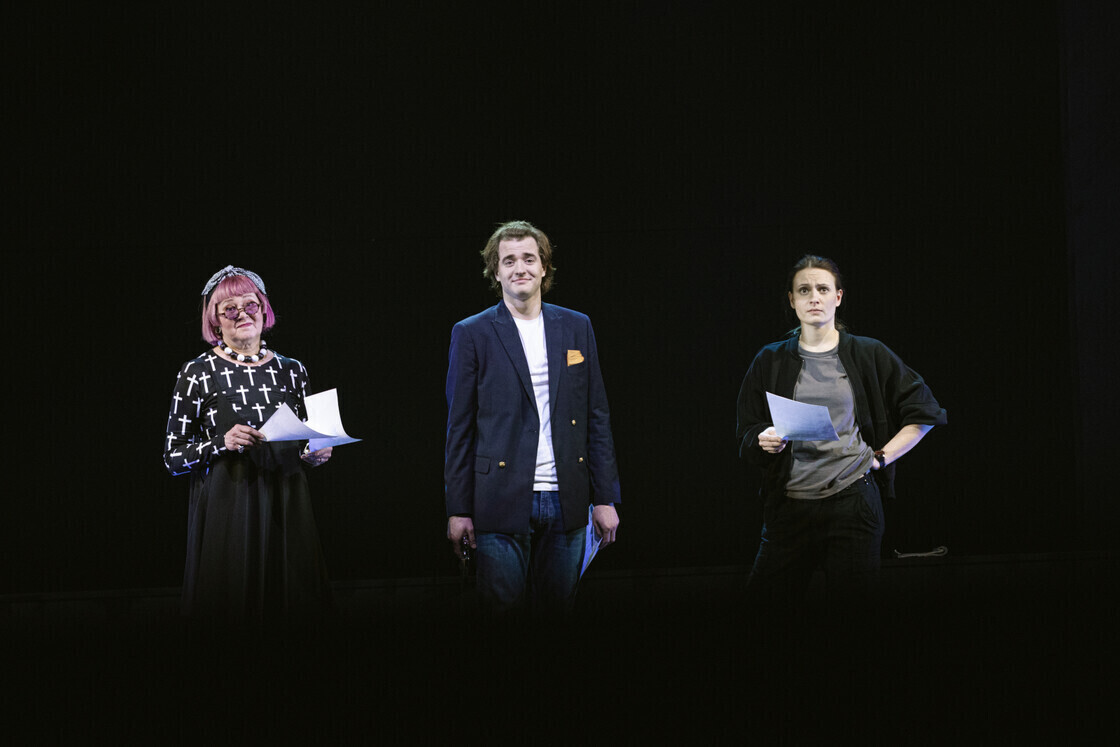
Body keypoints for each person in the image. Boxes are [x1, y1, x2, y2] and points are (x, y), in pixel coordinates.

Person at [736, 255, 946, 614]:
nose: (814, 297)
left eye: (822, 289)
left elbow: (925, 412)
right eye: (804, 290)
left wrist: (881, 459)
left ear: (838, 296)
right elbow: (747, 430)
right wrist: (762, 438)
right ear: (792, 300)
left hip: (852, 504)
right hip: (789, 507)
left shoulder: (868, 352)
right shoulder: (770, 359)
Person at [444, 221, 621, 618]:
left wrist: (605, 497)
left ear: (544, 267)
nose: (519, 268)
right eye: (508, 261)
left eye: (528, 258)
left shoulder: (576, 326)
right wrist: (458, 509)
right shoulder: (472, 333)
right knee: (502, 612)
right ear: (495, 272)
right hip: (498, 499)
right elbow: (459, 428)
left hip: (567, 498)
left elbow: (596, 415)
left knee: (558, 611)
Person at [163, 265, 334, 626]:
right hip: (229, 511)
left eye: (250, 305)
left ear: (263, 310)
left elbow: (313, 439)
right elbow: (173, 457)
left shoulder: (293, 370)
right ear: (215, 320)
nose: (242, 314)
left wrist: (316, 452)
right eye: (230, 309)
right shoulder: (197, 372)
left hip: (287, 507)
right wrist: (220, 443)